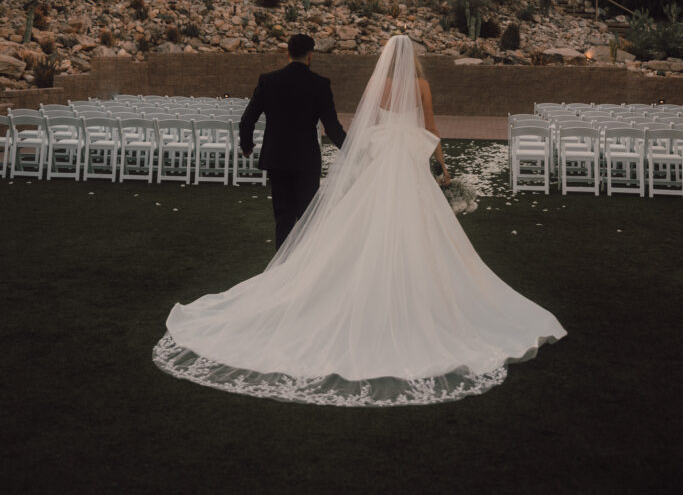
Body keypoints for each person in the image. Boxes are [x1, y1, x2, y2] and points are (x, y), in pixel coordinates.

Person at [153, 35, 566, 407]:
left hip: (359, 158)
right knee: (418, 227)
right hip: (403, 163)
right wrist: (443, 167)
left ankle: (301, 270)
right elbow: (429, 128)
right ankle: (404, 284)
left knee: (341, 224)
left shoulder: (365, 85)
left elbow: (363, 125)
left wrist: (359, 158)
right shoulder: (417, 87)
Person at [239, 33, 347, 249]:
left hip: (277, 157)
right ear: (310, 56)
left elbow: (247, 119)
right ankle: (303, 271)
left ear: (287, 53)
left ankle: (280, 269)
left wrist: (247, 145)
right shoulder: (320, 84)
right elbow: (332, 127)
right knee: (307, 219)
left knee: (283, 218)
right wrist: (351, 149)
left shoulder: (268, 81)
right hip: (306, 160)